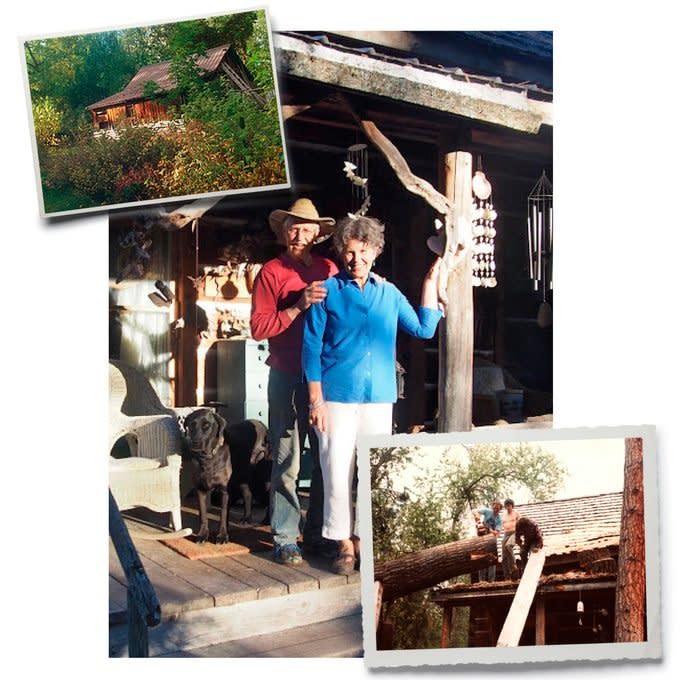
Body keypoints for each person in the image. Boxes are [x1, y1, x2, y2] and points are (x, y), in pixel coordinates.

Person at [302, 215, 443, 574]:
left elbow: (424, 329)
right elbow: (310, 349)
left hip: (379, 398)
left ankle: (366, 542)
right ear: (342, 253)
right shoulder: (326, 291)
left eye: (364, 253)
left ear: (376, 252)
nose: (356, 261)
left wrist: (431, 280)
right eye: (350, 253)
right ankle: (343, 545)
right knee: (336, 471)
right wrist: (315, 401)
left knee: (372, 473)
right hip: (335, 398)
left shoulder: (390, 293)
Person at [250, 198, 338, 565]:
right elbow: (258, 328)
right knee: (287, 458)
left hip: (323, 377)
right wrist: (297, 306)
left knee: (324, 457)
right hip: (285, 374)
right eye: (293, 227)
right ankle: (286, 537)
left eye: (306, 227)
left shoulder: (330, 268)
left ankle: (317, 534)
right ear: (283, 231)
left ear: (318, 233)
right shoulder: (271, 272)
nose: (299, 234)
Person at [473, 500, 503, 581]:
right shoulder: (487, 511)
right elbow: (475, 511)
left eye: (497, 508)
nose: (495, 509)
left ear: (500, 509)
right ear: (492, 506)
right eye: (494, 507)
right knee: (481, 557)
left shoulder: (499, 519)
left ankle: (491, 580)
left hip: (491, 539)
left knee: (492, 559)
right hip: (482, 537)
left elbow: (497, 533)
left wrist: (490, 529)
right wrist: (477, 518)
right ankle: (481, 580)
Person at [501, 498, 521, 579]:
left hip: (514, 532)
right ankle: (507, 576)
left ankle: (514, 567)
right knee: (504, 556)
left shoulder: (516, 513)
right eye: (507, 506)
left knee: (508, 546)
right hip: (506, 533)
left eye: (509, 505)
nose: (508, 507)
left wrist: (520, 534)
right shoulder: (503, 514)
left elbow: (521, 523)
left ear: (512, 506)